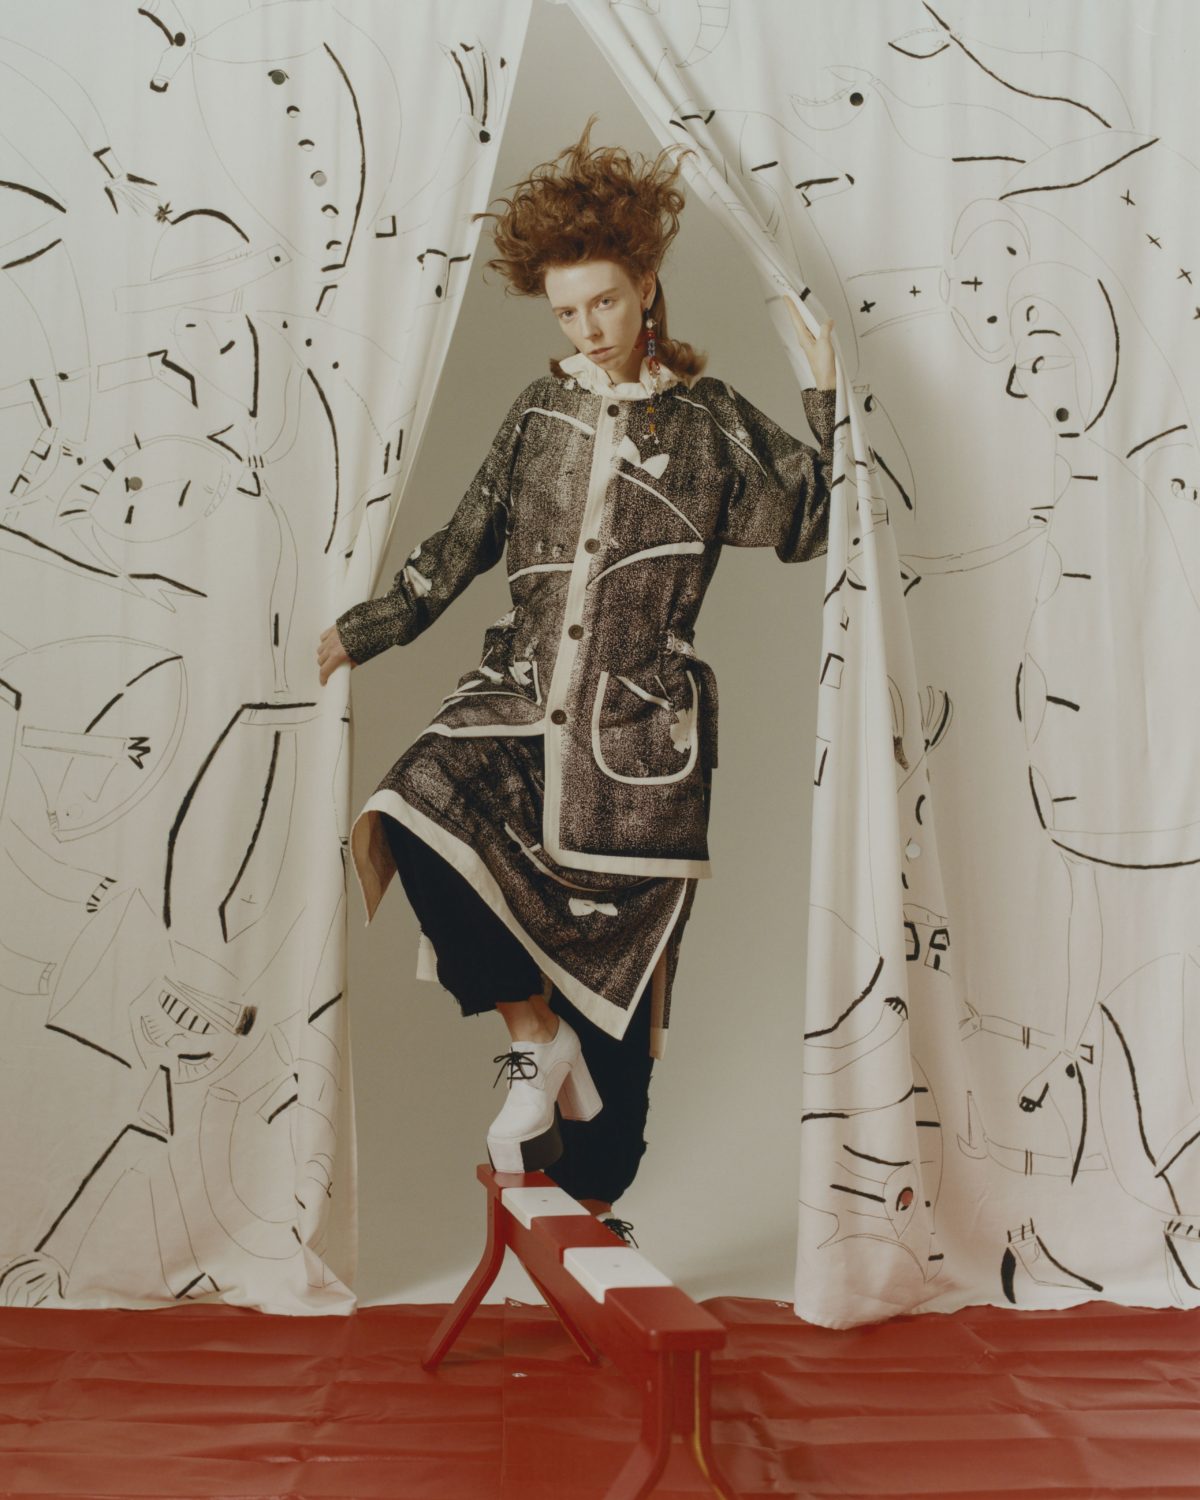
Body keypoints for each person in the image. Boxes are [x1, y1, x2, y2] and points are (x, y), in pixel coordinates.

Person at [317, 115, 837, 1239]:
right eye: (566, 312)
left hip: (640, 754)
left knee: (622, 1054)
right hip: (515, 706)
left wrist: (827, 391)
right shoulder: (538, 413)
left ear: (647, 287)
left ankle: (592, 1210)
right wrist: (358, 633)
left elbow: (821, 514)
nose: (588, 329)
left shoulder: (711, 427)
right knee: (408, 810)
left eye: (604, 302)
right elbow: (458, 547)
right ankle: (530, 1037)